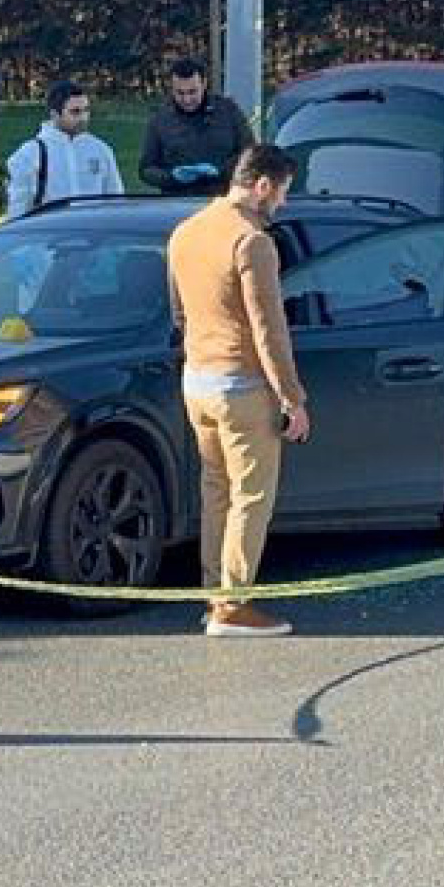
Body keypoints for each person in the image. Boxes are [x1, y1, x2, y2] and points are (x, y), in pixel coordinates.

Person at [167, 143, 309, 637]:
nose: (283, 205)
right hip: (242, 386)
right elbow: (269, 330)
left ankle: (216, 596)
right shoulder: (252, 242)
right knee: (252, 497)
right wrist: (292, 398)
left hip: (197, 380)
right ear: (262, 185)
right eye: (283, 192)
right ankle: (234, 603)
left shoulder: (185, 233)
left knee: (217, 494)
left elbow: (179, 314)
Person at [139, 57, 254, 198]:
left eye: (192, 92)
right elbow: (146, 169)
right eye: (180, 93)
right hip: (178, 202)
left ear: (204, 84)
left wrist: (221, 171)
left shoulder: (228, 111)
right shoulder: (160, 119)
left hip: (224, 199)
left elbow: (251, 154)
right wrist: (172, 177)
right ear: (171, 88)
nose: (187, 100)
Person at [5, 80, 124, 217]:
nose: (83, 118)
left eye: (86, 110)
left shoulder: (101, 150)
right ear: (55, 114)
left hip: (92, 233)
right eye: (75, 112)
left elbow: (115, 201)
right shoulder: (30, 154)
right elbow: (18, 209)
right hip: (50, 233)